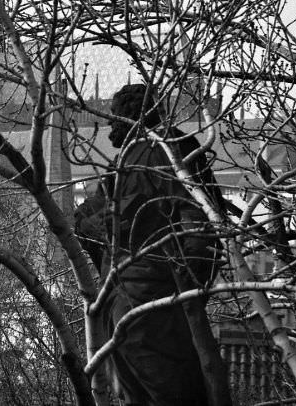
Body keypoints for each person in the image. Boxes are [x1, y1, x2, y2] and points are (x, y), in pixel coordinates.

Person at [75, 84, 224, 406]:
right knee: (135, 388)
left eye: (114, 117)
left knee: (168, 388)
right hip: (125, 293)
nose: (109, 126)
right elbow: (92, 217)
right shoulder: (126, 159)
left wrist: (187, 281)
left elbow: (198, 221)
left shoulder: (168, 148)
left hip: (153, 296)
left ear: (129, 117)